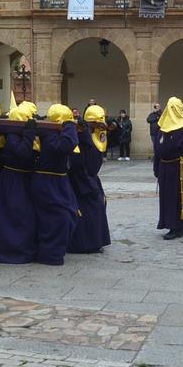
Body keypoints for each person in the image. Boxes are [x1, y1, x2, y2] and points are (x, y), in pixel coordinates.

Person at [30, 104, 81, 264]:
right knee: (57, 218)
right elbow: (66, 145)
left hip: (58, 181)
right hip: (48, 182)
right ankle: (50, 254)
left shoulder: (54, 134)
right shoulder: (50, 135)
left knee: (69, 215)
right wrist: (70, 127)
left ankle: (55, 251)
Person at [0, 102, 40, 264]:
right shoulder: (12, 135)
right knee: (14, 214)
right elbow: (22, 153)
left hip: (23, 179)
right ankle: (13, 250)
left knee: (25, 215)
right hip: (13, 179)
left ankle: (25, 248)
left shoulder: (19, 134)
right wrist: (29, 133)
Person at [67, 104, 112, 254]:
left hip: (90, 177)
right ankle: (85, 243)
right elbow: (77, 161)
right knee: (87, 210)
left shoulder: (98, 134)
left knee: (98, 206)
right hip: (81, 179)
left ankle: (96, 241)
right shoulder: (81, 135)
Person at [154, 97, 183, 239]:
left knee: (178, 197)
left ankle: (178, 226)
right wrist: (156, 168)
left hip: (179, 167)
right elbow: (157, 149)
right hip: (164, 167)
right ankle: (169, 223)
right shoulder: (162, 126)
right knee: (167, 197)